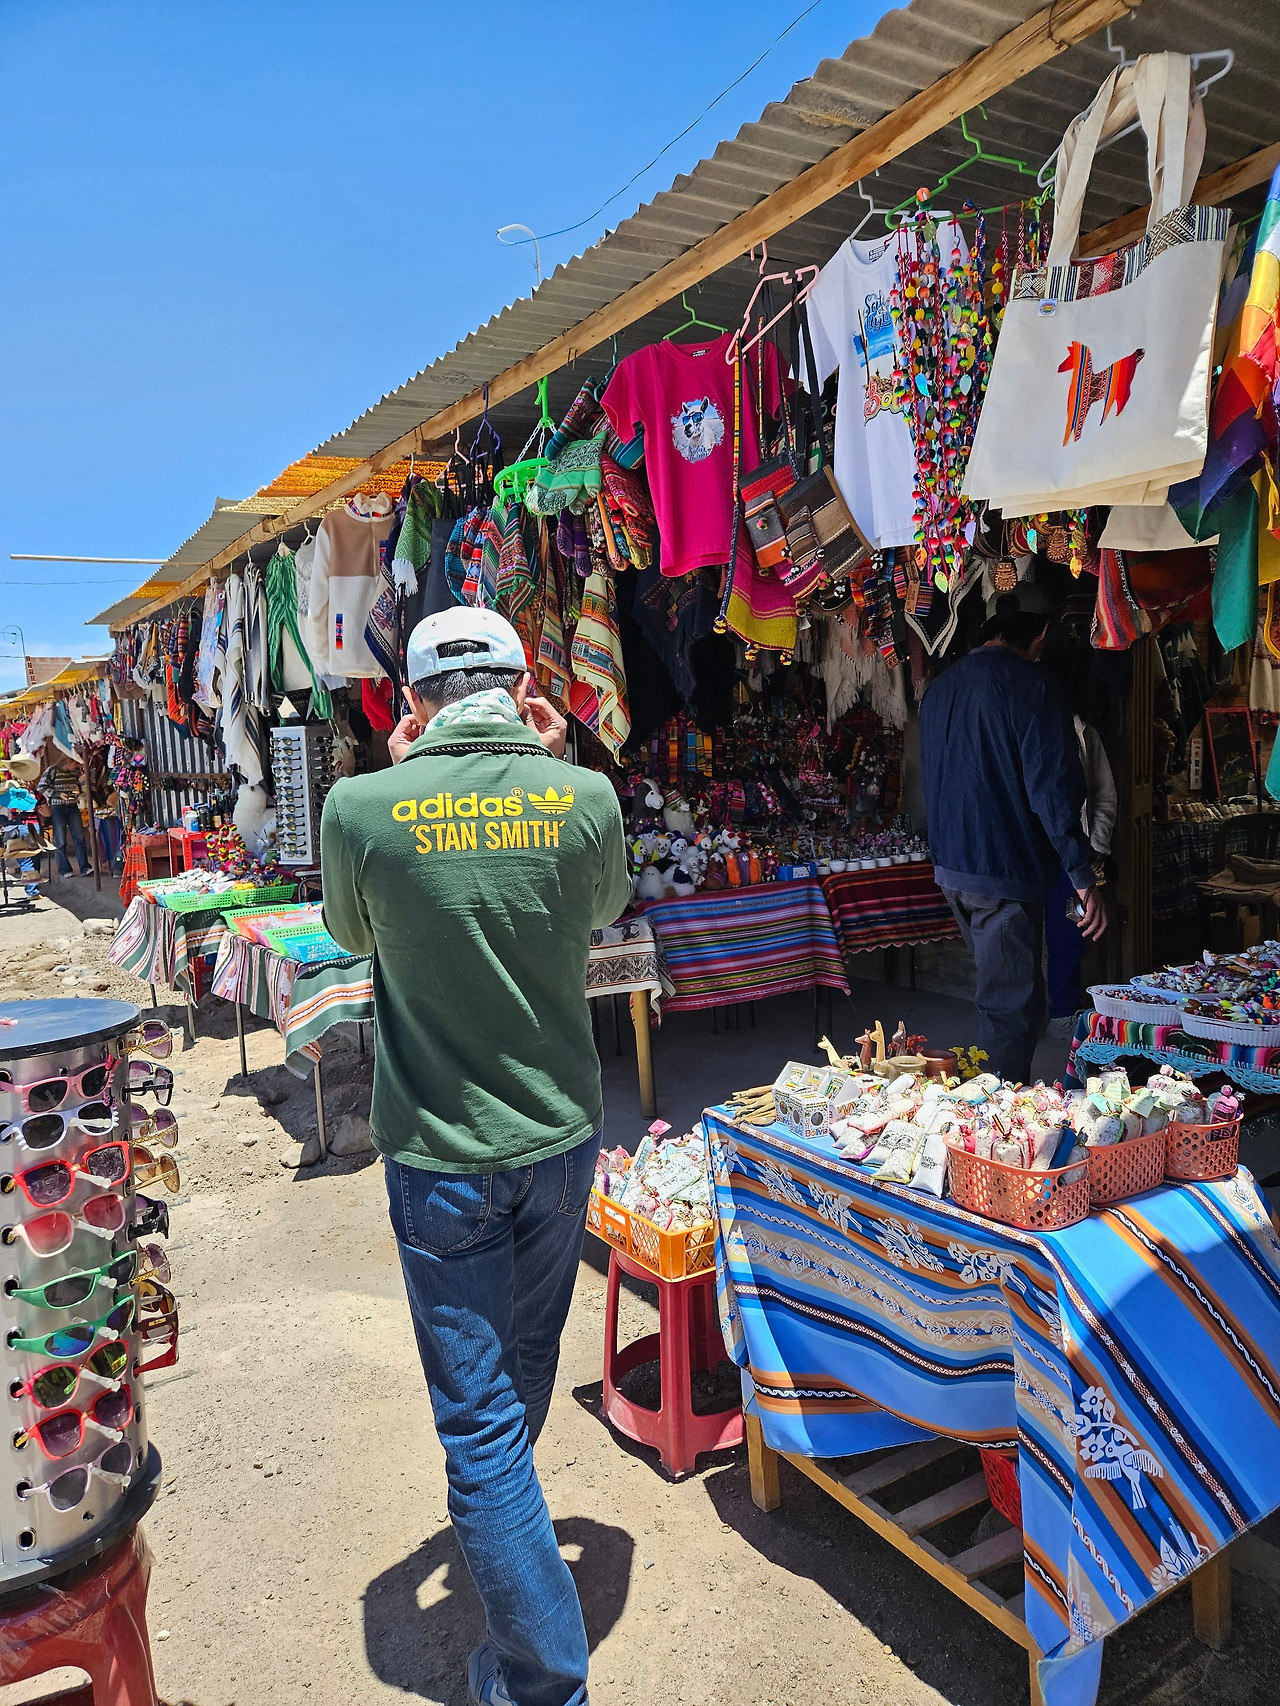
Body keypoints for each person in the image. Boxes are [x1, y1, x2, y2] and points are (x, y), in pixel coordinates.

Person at [321, 607, 632, 1706]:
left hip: (441, 1150)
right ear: (524, 683)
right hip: (557, 1137)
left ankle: (545, 1677)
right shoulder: (584, 793)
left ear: (411, 702)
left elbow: (352, 935)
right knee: (521, 1363)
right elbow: (603, 905)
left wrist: (406, 783)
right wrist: (551, 762)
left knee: (478, 1411)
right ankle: (508, 1505)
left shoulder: (359, 804)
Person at [919, 592, 1106, 1083]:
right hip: (1000, 868)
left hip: (953, 867)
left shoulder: (940, 690)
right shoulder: (1032, 685)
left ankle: (1000, 1100)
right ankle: (998, 1126)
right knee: (1010, 1005)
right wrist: (1082, 874)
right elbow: (1054, 787)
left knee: (1010, 994)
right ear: (1039, 636)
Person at [1044, 714, 1117, 1036]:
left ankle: (1062, 1012)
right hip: (1027, 852)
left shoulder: (1083, 731)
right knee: (1018, 934)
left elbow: (1103, 792)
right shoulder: (1026, 723)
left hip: (1072, 854)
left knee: (1071, 929)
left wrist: (1096, 843)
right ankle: (1025, 1016)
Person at [40, 761, 91, 877]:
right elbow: (41, 787)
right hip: (57, 807)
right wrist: (58, 794)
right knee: (60, 840)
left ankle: (85, 867)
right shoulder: (52, 770)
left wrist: (79, 789)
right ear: (68, 760)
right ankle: (64, 869)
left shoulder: (76, 772)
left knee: (80, 838)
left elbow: (78, 786)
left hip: (72, 806)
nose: (77, 766)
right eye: (75, 763)